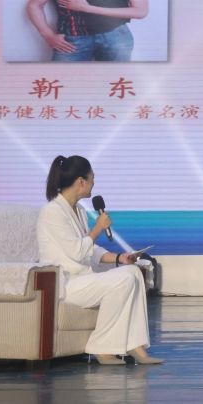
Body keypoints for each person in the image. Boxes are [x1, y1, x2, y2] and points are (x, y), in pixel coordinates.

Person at [37, 155, 162, 365]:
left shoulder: (78, 211)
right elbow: (77, 252)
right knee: (123, 281)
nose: (94, 182)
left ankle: (135, 345)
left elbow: (90, 250)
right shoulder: (52, 212)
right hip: (66, 284)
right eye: (92, 177)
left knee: (133, 271)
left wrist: (120, 258)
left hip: (83, 278)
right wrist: (98, 228)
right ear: (80, 181)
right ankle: (102, 347)